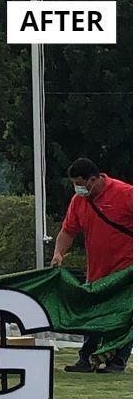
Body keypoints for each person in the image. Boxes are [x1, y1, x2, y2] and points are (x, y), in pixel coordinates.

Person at [50, 158, 132, 373]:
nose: (78, 188)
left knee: (124, 318)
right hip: (96, 272)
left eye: (81, 182)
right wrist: (59, 253)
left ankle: (117, 362)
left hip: (127, 272)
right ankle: (85, 359)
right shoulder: (79, 201)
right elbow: (68, 231)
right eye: (75, 183)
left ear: (94, 179)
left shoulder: (126, 194)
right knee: (91, 316)